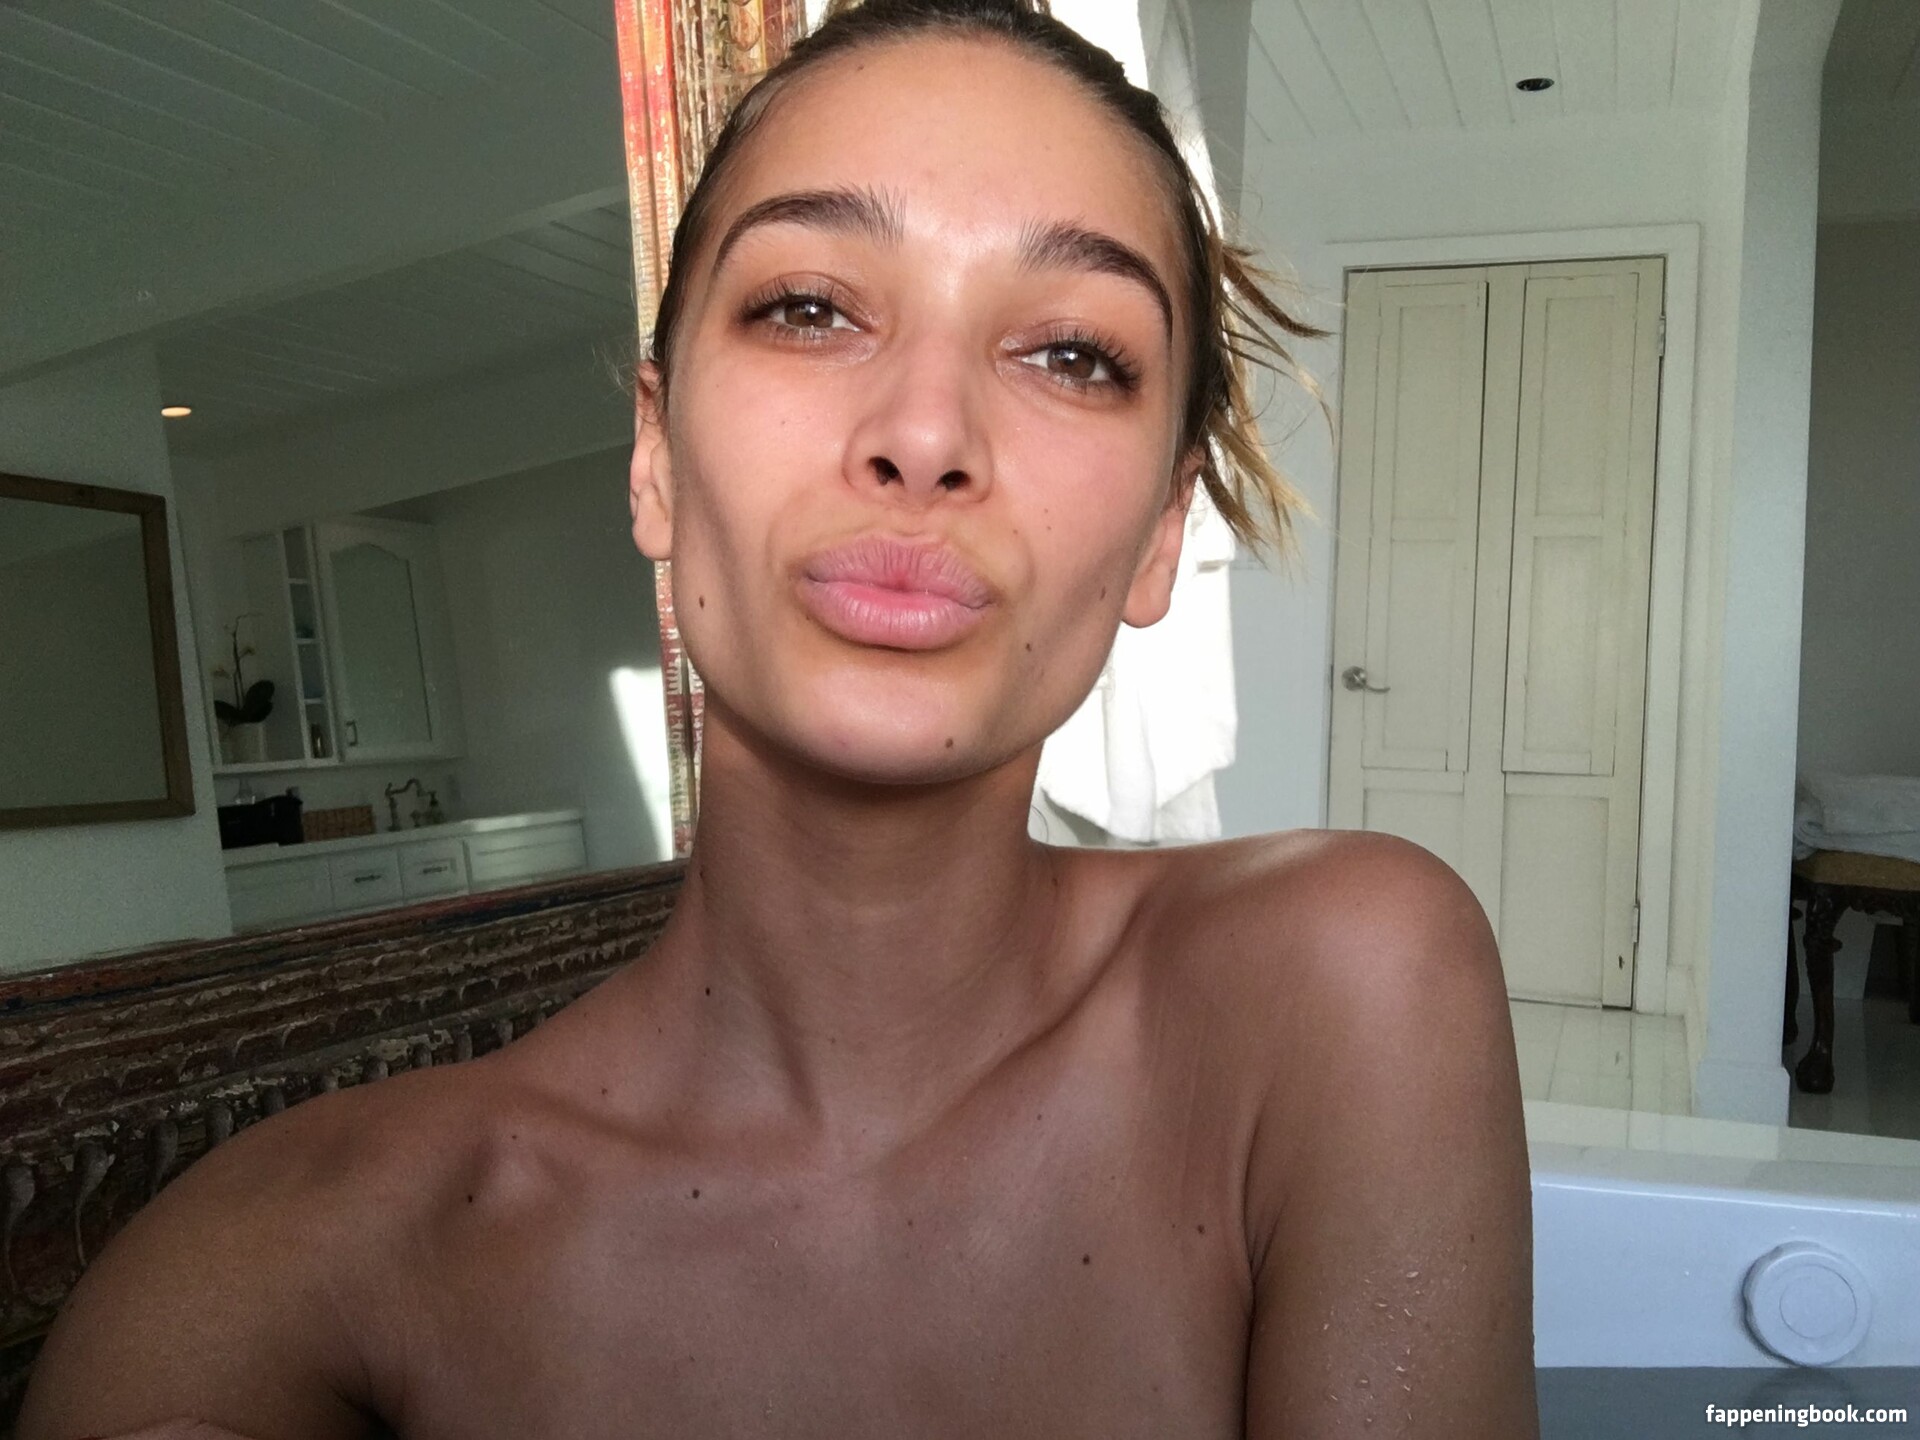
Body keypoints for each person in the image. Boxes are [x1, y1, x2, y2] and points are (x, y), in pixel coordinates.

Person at [17, 1, 1537, 1435]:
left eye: (1072, 353)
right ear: (656, 459)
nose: (925, 435)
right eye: (809, 309)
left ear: (1158, 535)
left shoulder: (1346, 983)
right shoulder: (291, 1271)